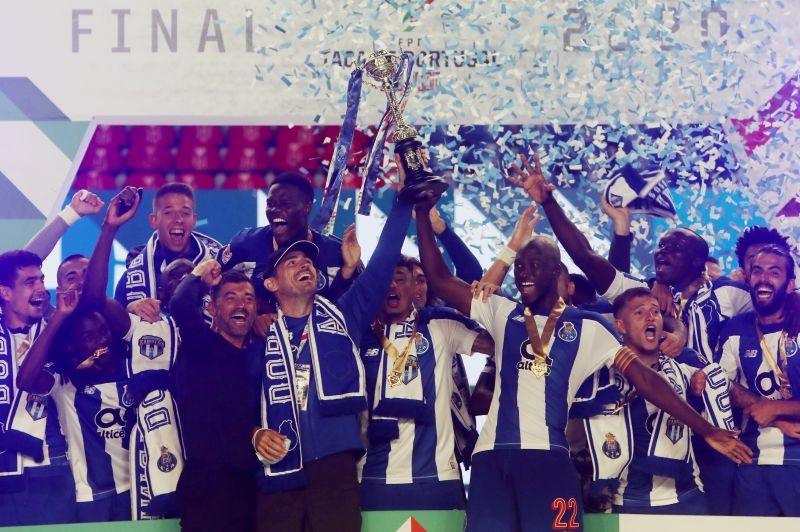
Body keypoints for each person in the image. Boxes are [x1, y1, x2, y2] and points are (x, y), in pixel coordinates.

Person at [415, 194, 751, 531]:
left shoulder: (588, 327)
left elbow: (646, 381)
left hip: (547, 458)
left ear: (556, 271)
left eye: (534, 266)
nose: (524, 275)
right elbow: (439, 277)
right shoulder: (502, 312)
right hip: (490, 458)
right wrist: (419, 209)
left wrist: (706, 429)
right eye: (519, 267)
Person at [251, 181, 419, 532]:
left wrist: (403, 203)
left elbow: (384, 262)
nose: (305, 264)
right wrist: (254, 433)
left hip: (335, 468)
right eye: (292, 261)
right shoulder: (258, 337)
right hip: (278, 474)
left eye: (309, 259)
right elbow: (234, 407)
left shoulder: (344, 316)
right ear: (271, 284)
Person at [16, 188, 151, 523]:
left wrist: (108, 228)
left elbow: (95, 296)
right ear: (56, 289)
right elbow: (18, 267)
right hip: (63, 473)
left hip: (141, 482)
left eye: (86, 274)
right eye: (69, 277)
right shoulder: (49, 331)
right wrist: (70, 215)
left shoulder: (121, 330)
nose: (79, 282)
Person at [359, 256, 493, 511]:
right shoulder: (358, 333)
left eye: (399, 279)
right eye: (384, 280)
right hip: (373, 477)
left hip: (439, 477)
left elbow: (503, 341)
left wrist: (492, 301)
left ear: (414, 287)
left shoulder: (439, 323)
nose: (391, 286)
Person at [580, 288, 715, 515]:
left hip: (687, 497)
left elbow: (728, 387)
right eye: (640, 313)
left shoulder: (683, 364)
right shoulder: (602, 377)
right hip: (627, 502)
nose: (650, 317)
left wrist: (706, 375)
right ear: (620, 326)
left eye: (655, 311)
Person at [170, 261, 263, 532]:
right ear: (212, 308)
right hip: (207, 491)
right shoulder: (202, 346)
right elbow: (180, 305)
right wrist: (199, 275)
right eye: (230, 298)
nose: (241, 305)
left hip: (250, 489)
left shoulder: (259, 355)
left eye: (248, 298)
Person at [713, 245, 800, 516]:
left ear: (790, 284)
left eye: (774, 272)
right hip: (752, 463)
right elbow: (721, 384)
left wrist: (776, 409)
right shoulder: (735, 329)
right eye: (757, 271)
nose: (763, 278)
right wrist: (771, 415)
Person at [0, 250, 76, 526]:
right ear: (5, 293)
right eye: (30, 282)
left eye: (42, 280)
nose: (42, 289)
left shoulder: (61, 332)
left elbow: (34, 381)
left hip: (47, 466)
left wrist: (55, 321)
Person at [219, 172, 356, 304]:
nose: (275, 210)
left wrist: (348, 270)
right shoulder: (246, 243)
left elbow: (352, 309)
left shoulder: (337, 253)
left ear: (306, 207)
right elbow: (215, 285)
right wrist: (254, 311)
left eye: (285, 204)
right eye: (270, 204)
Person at [115, 183, 221, 312]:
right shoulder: (131, 278)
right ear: (154, 221)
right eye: (169, 212)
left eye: (185, 213)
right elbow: (115, 325)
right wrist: (129, 311)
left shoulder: (218, 264)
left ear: (193, 221)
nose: (178, 219)